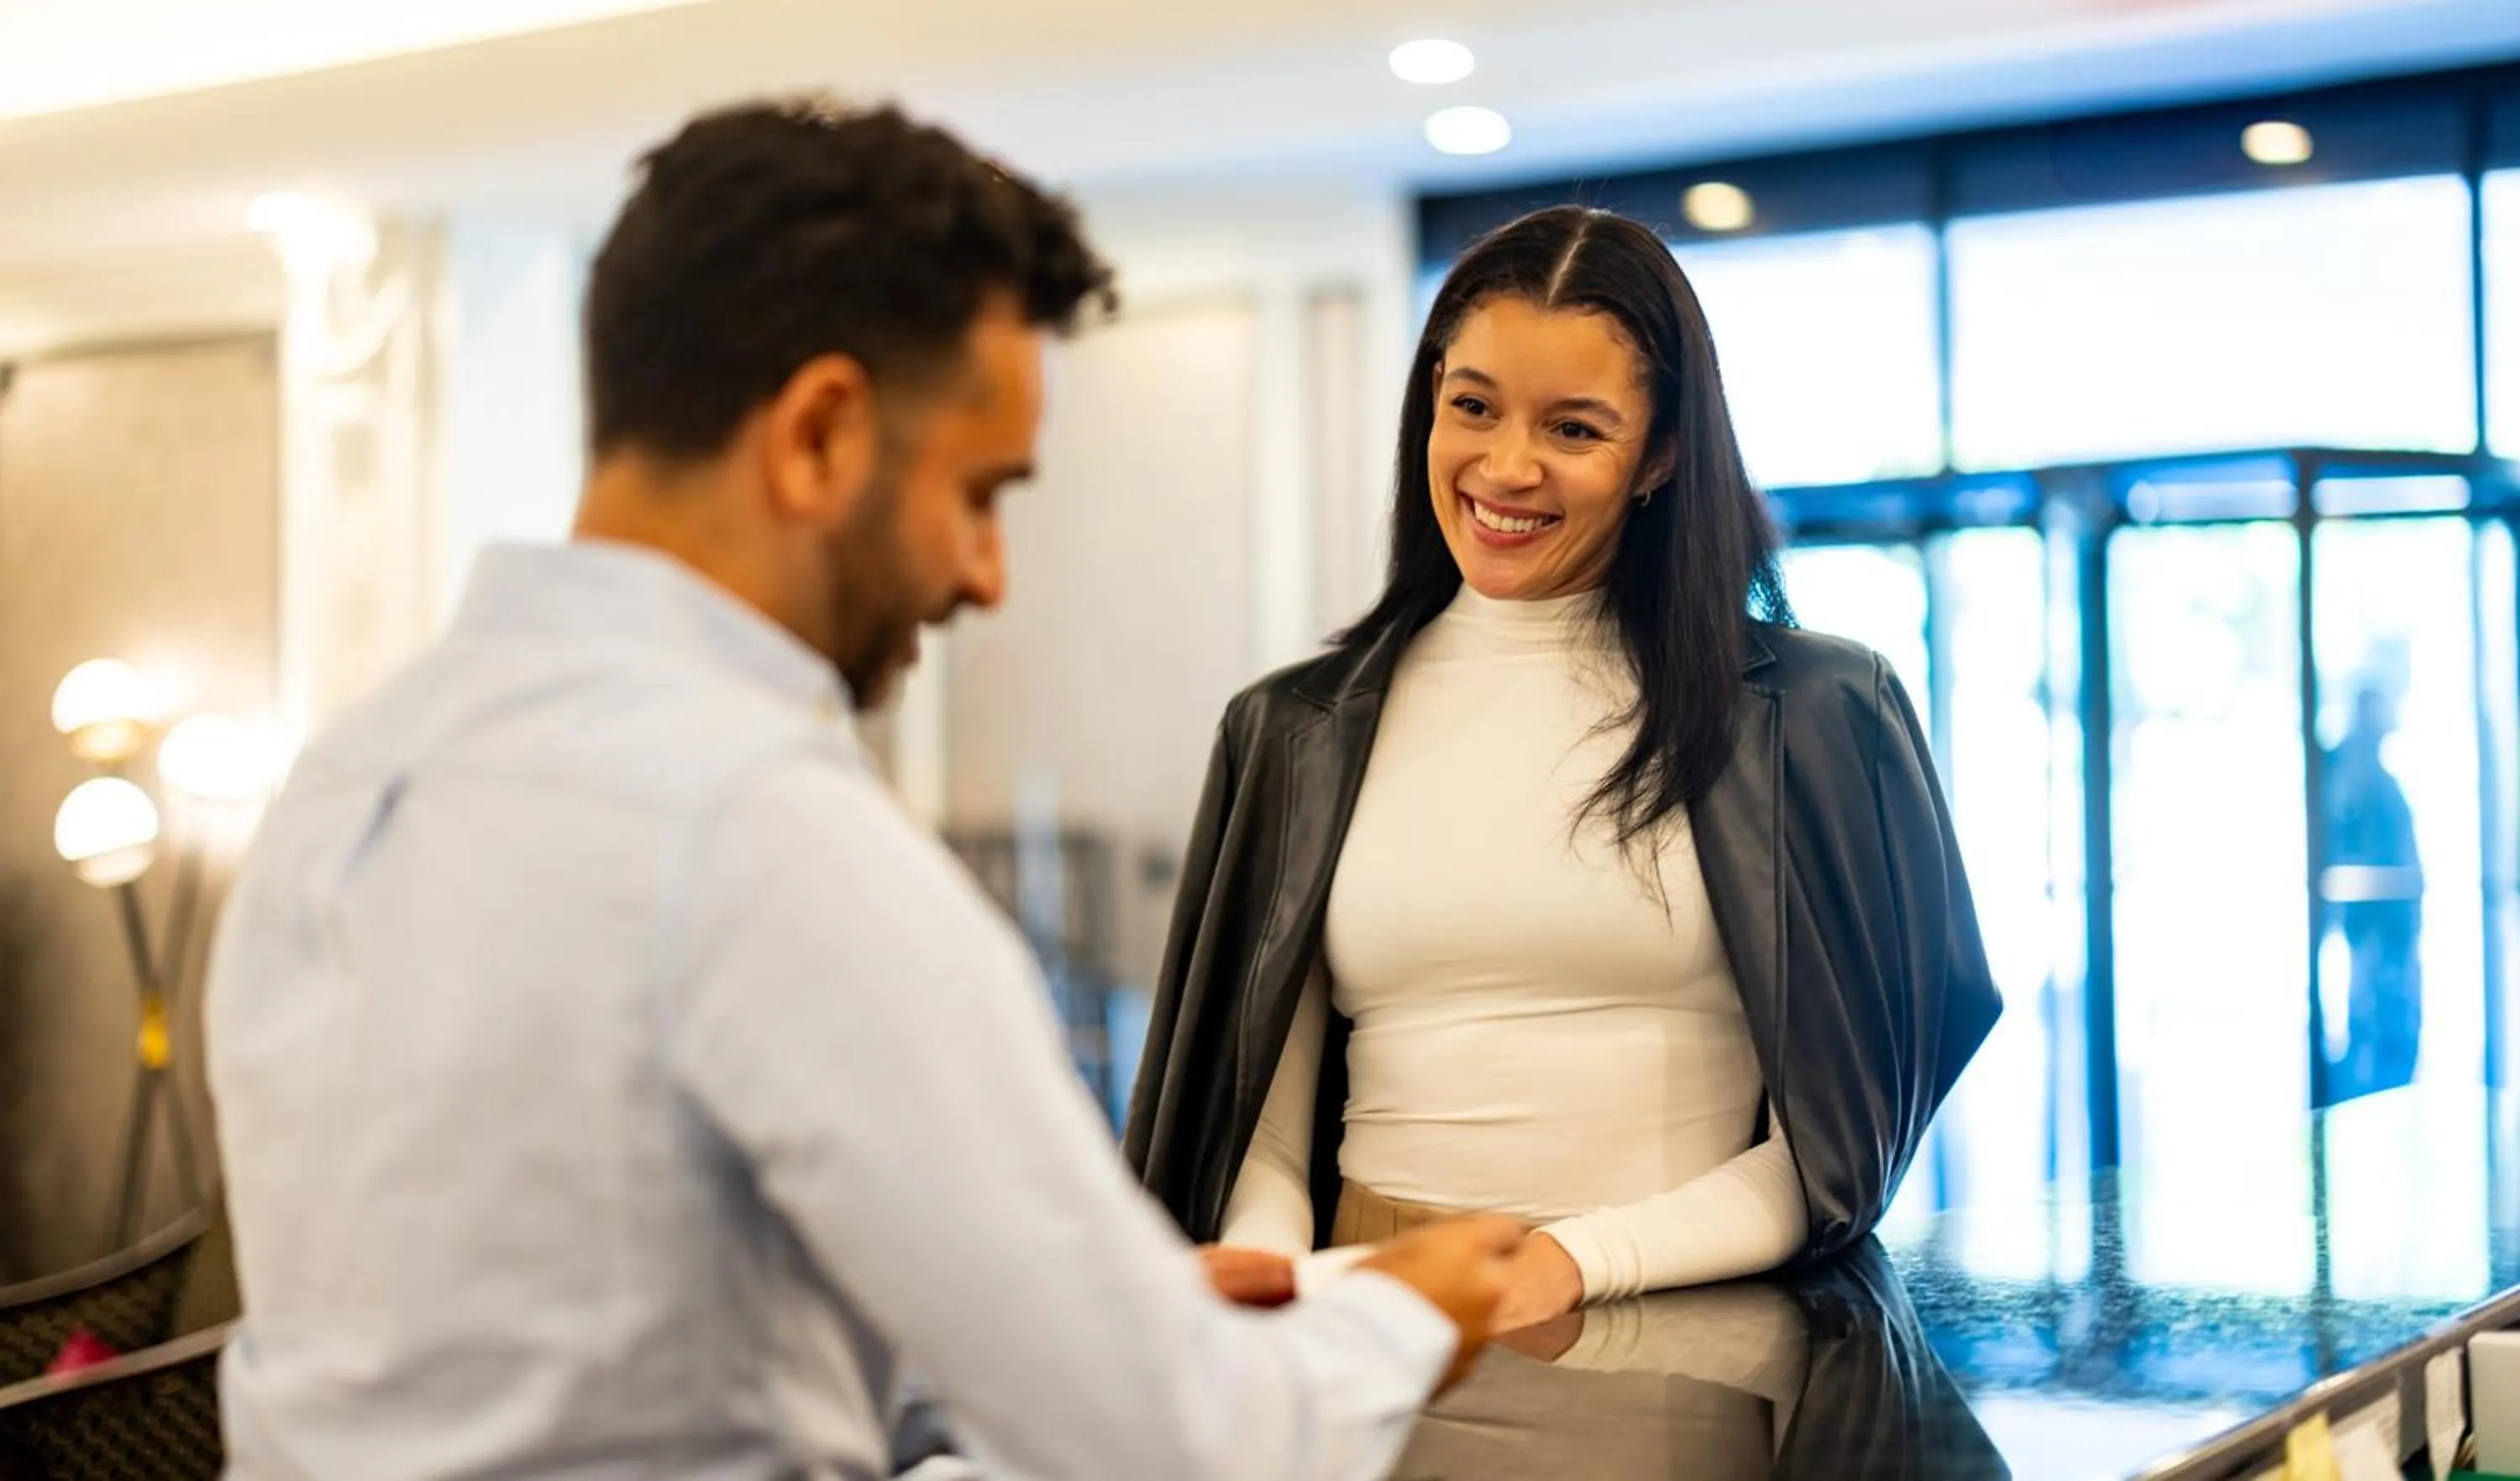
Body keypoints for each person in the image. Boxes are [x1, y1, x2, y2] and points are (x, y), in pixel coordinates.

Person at [204, 99, 1525, 1481]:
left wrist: (1064, 1320)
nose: (986, 575)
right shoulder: (758, 830)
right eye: (979, 493)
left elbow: (587, 1323)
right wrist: (1399, 1314)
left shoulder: (346, 770)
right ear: (822, 434)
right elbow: (1186, 1442)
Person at [1126, 206, 2000, 1332]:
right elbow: (1264, 1132)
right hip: (1374, 1316)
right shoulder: (1293, 729)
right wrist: (1276, 1280)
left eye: (1575, 429)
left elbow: (1842, 1146)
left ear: (1664, 453)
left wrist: (1579, 1258)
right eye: (1472, 407)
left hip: (1690, 1317)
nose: (1506, 466)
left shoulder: (1817, 717)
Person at [2319, 673, 2426, 1103]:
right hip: (2379, 930)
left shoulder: (2370, 774)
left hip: (2387, 930)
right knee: (2378, 1031)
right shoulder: (2356, 775)